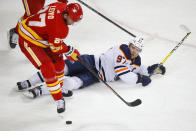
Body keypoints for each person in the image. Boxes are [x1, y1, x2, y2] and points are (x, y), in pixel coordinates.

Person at [18, 37, 166, 98]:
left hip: (96, 76)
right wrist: (140, 79)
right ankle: (29, 81)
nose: (134, 51)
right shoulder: (122, 51)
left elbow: (135, 68)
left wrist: (149, 70)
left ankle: (39, 91)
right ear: (130, 45)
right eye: (133, 47)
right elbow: (125, 75)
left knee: (71, 84)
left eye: (137, 50)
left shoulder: (136, 60)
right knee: (60, 69)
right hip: (91, 61)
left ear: (139, 52)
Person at [16, 1, 83, 113]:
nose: (72, 24)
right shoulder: (61, 29)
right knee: (48, 68)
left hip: (43, 37)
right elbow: (55, 48)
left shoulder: (61, 6)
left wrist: (68, 51)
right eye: (72, 20)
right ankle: (58, 99)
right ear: (65, 15)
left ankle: (59, 88)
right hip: (28, 40)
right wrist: (69, 51)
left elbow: (54, 40)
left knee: (60, 64)